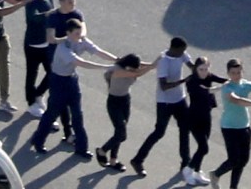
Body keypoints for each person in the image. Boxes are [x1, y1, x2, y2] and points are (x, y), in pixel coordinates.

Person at [28, 15, 115, 157]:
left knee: (77, 116)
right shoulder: (63, 48)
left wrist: (117, 60)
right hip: (58, 82)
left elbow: (98, 51)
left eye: (80, 33)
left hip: (71, 81)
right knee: (51, 114)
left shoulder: (81, 40)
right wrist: (106, 67)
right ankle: (37, 141)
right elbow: (81, 63)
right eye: (76, 34)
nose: (80, 37)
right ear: (68, 33)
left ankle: (81, 148)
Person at [130, 37, 192, 177]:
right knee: (159, 132)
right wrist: (183, 80)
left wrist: (200, 68)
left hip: (179, 99)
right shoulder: (163, 61)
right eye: (181, 51)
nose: (183, 53)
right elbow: (164, 86)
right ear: (174, 49)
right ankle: (137, 160)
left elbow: (192, 66)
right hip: (164, 102)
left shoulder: (181, 54)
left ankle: (186, 162)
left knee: (185, 128)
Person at [95, 53, 155, 166]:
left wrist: (154, 64)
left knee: (119, 131)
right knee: (121, 134)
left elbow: (140, 67)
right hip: (114, 102)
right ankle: (101, 151)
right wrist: (152, 66)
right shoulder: (117, 71)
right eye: (133, 67)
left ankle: (113, 159)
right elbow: (139, 72)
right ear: (128, 65)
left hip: (125, 100)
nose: (134, 70)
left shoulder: (129, 68)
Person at [208, 58, 251, 183]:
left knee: (243, 161)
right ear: (228, 73)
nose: (236, 75)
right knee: (234, 159)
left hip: (244, 127)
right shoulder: (226, 87)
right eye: (233, 73)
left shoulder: (247, 85)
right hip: (229, 127)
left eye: (239, 72)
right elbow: (236, 100)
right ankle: (216, 174)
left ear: (242, 72)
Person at [176, 55, 224, 184]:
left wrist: (234, 81)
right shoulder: (191, 81)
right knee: (204, 148)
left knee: (202, 147)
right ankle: (188, 170)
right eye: (201, 69)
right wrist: (218, 88)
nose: (203, 72)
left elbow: (222, 80)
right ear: (196, 69)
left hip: (206, 116)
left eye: (206, 69)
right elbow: (205, 92)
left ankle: (197, 172)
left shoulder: (208, 76)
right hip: (194, 118)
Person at [21, 0, 56, 114]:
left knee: (52, 72)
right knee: (31, 75)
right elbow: (34, 18)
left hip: (46, 45)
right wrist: (49, 14)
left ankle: (39, 94)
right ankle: (31, 104)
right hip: (32, 45)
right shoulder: (31, 3)